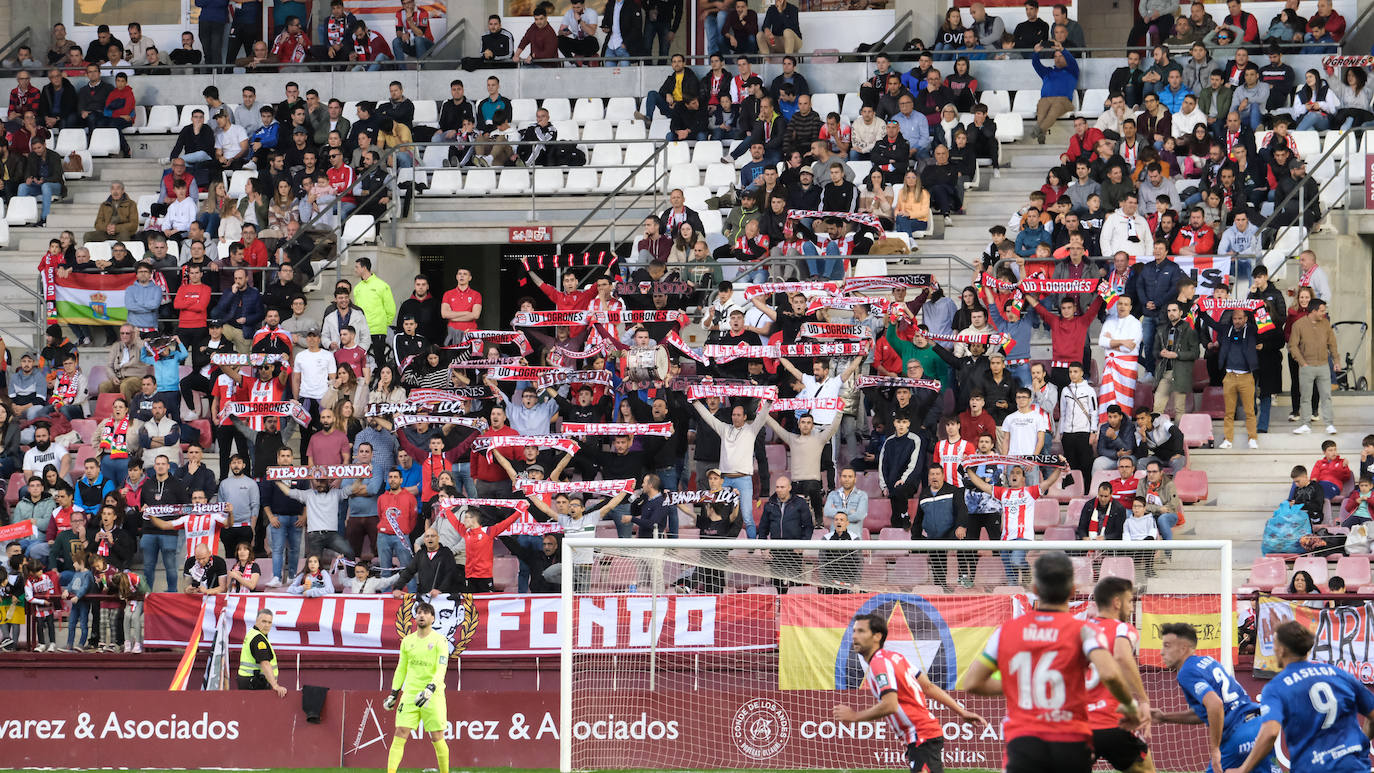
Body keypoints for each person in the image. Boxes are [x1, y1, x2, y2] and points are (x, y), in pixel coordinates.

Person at [960, 551, 1142, 773]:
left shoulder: (1006, 631)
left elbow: (972, 683)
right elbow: (1111, 674)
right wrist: (1130, 705)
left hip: (1023, 741)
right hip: (1071, 739)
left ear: (1035, 590)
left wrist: (1027, 685)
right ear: (1073, 591)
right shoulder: (1085, 631)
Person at [832, 612, 986, 770]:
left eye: (861, 631)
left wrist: (855, 716)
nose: (854, 636)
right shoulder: (895, 658)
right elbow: (928, 687)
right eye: (854, 631)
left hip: (922, 736)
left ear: (877, 636)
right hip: (925, 736)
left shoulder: (879, 663)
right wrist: (961, 712)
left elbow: (890, 705)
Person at [1228, 620, 1374, 773]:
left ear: (1282, 650)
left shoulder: (1276, 687)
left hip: (1313, 767)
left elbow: (1270, 732)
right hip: (1354, 766)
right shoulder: (1339, 674)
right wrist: (1361, 741)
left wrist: (1243, 769)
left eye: (1274, 644)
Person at [1152, 622, 1275, 773]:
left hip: (1238, 736)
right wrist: (1164, 717)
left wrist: (1215, 749)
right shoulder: (1208, 662)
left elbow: (1215, 705)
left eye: (1167, 645)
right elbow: (1208, 711)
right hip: (1259, 728)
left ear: (1183, 648)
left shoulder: (1186, 672)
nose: (1162, 652)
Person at [384, 600, 451, 773]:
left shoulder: (440, 641)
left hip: (433, 695)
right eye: (419, 612)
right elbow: (401, 668)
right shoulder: (407, 641)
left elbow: (441, 668)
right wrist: (393, 693)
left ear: (433, 619)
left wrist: (430, 688)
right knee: (400, 732)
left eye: (426, 612)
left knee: (437, 737)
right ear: (415, 617)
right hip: (410, 693)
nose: (422, 615)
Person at [1289, 298, 1340, 436]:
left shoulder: (1325, 324)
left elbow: (1332, 344)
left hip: (1323, 365)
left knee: (1326, 396)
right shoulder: (1298, 325)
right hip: (1307, 366)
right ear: (1314, 311)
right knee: (1305, 397)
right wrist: (1302, 362)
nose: (1324, 313)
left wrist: (1336, 361)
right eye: (1322, 311)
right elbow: (1292, 345)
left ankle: (1329, 424)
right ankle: (1305, 424)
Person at [237, 609, 287, 696]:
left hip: (247, 681)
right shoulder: (259, 639)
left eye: (269, 622)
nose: (267, 625)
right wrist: (275, 685)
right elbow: (265, 663)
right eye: (264, 621)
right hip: (254, 683)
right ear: (256, 621)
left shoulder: (252, 633)